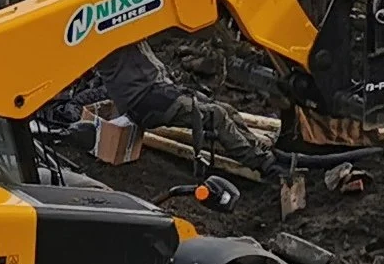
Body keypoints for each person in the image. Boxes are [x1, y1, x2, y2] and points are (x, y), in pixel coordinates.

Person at [84, 40, 274, 171]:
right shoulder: (109, 41)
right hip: (145, 102)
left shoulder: (120, 33)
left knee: (227, 110)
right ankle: (263, 164)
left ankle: (260, 149)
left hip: (160, 89)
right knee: (216, 115)